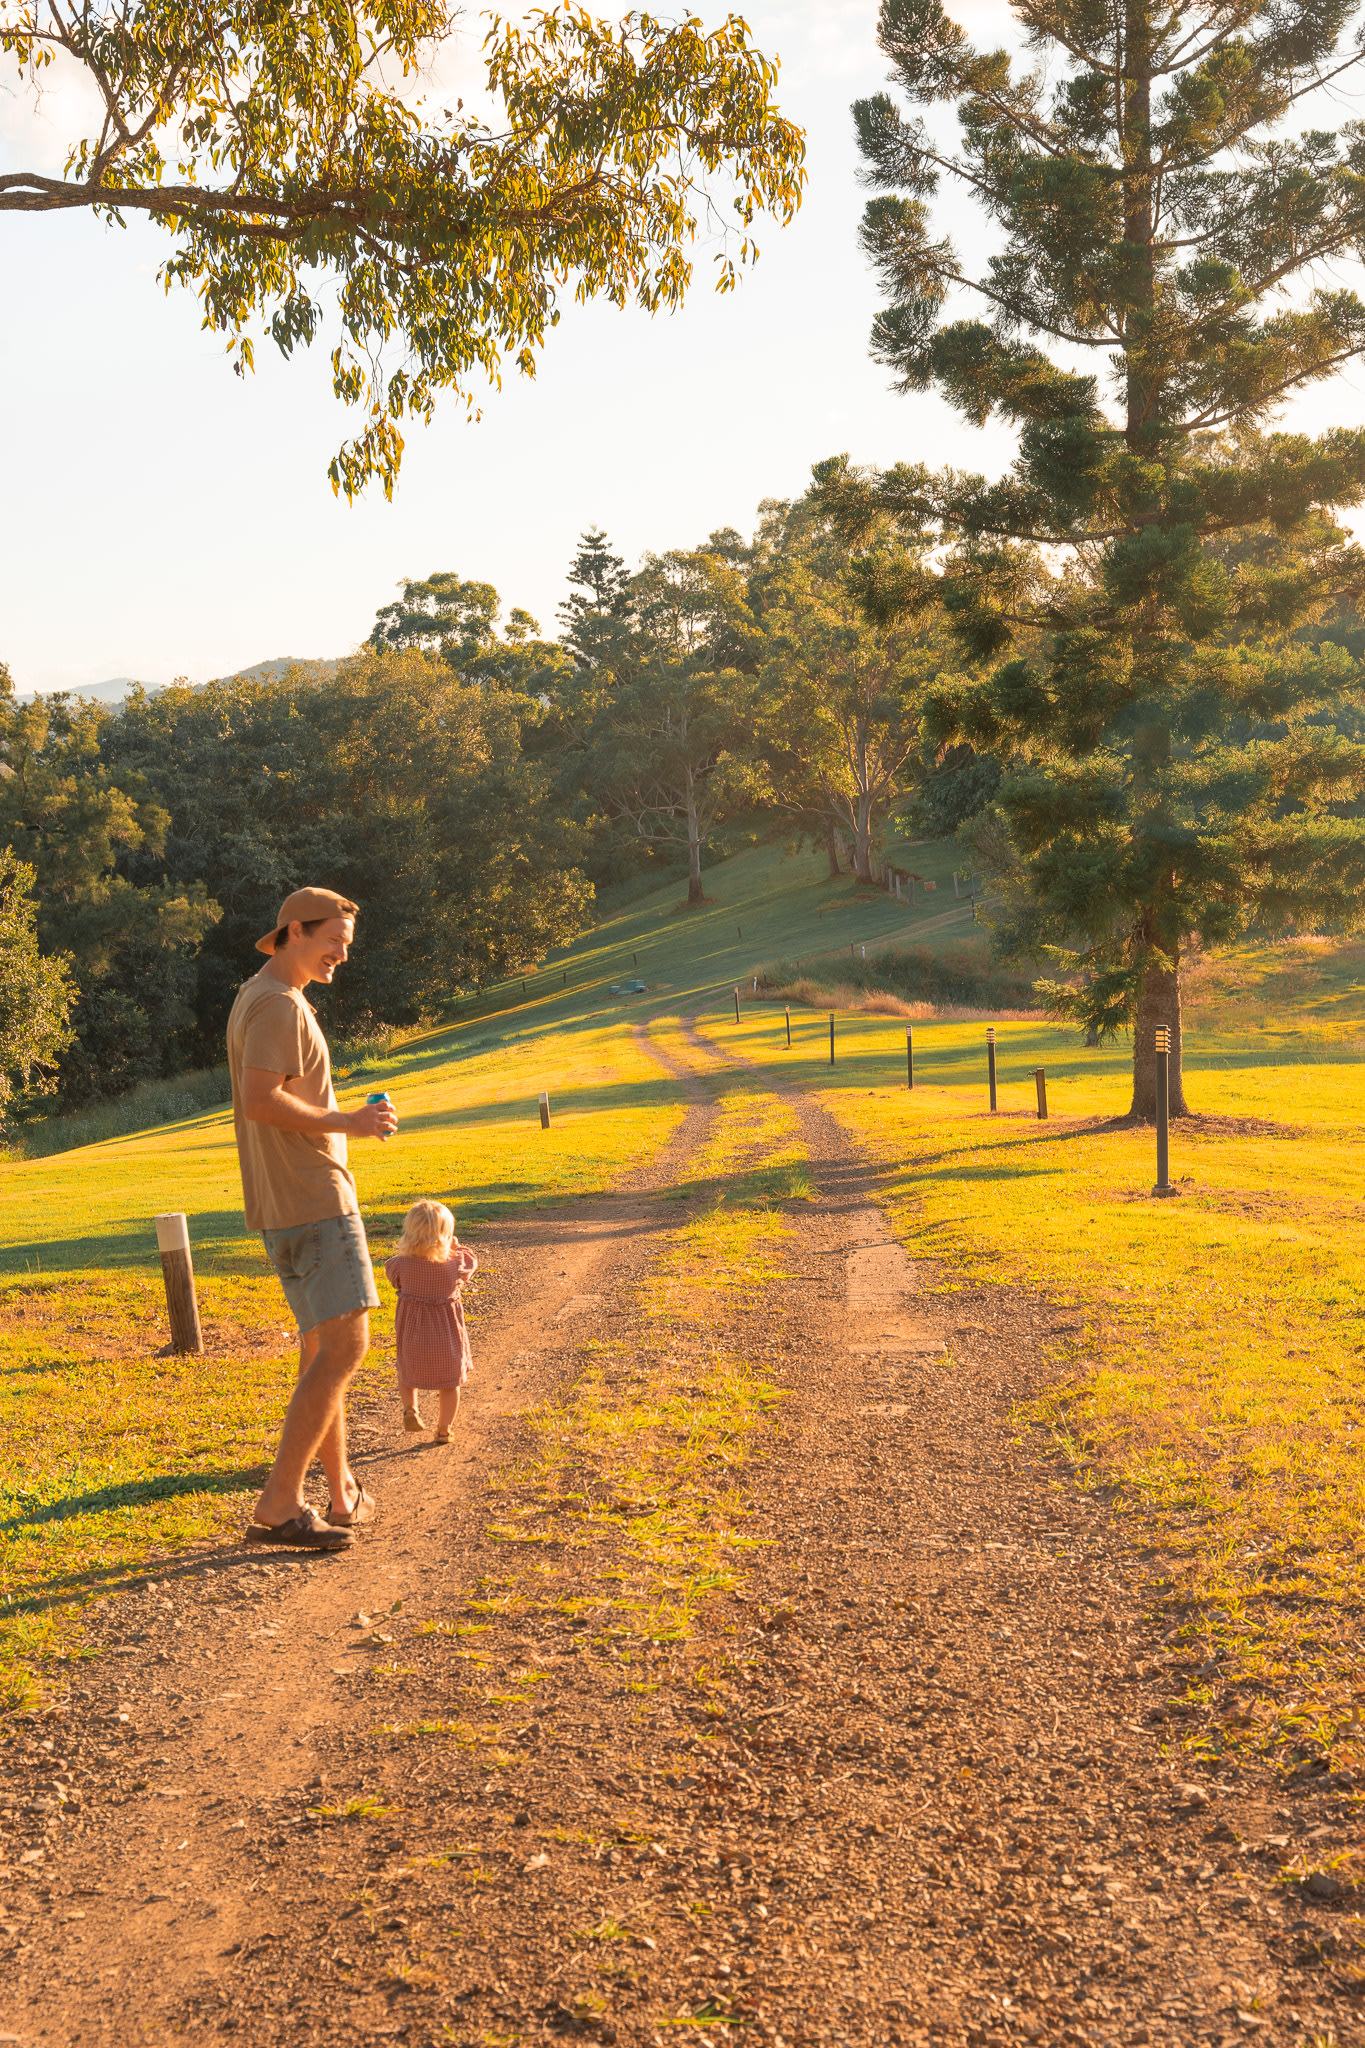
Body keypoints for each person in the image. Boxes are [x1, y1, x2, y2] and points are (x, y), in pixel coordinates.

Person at [225, 887, 398, 1552]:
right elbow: (260, 1101)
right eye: (332, 941)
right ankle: (279, 1503)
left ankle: (341, 1491)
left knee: (323, 1350)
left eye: (346, 946)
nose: (339, 956)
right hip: (313, 1198)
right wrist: (347, 1121)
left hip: (283, 1203)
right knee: (347, 1349)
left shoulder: (258, 995)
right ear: (293, 930)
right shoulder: (276, 1004)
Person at [385, 1200, 478, 1443]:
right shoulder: (455, 1263)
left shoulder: (399, 1264)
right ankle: (444, 1429)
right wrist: (456, 1248)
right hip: (445, 1335)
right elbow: (471, 1263)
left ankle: (410, 1409)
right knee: (450, 1383)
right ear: (445, 1234)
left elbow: (393, 1278)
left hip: (413, 1334)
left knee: (406, 1374)